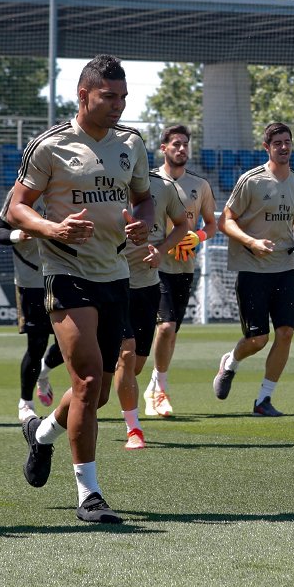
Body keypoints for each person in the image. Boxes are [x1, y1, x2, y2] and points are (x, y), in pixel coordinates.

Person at [10, 54, 152, 523]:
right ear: (83, 94)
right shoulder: (49, 146)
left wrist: (143, 227)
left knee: (98, 393)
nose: (118, 105)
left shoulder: (131, 143)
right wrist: (53, 230)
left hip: (115, 274)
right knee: (89, 381)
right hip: (65, 272)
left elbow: (144, 198)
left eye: (123, 97)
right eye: (108, 96)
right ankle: (89, 495)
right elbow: (16, 209)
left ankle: (43, 435)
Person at [211, 123, 294, 416]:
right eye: (277, 142)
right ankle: (230, 363)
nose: (283, 147)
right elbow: (225, 221)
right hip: (252, 270)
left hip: (285, 268)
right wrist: (251, 242)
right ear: (266, 147)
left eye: (287, 142)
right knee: (257, 340)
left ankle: (263, 400)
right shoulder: (250, 181)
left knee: (286, 332)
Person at [142, 124, 217, 418]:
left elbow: (211, 225)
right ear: (164, 148)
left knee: (169, 333)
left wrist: (196, 236)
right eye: (176, 144)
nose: (182, 149)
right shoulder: (147, 182)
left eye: (185, 144)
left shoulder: (200, 186)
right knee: (164, 327)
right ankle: (160, 388)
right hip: (151, 266)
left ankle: (153, 385)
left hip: (184, 269)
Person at [114, 170, 189, 449]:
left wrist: (163, 249)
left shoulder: (164, 187)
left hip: (147, 284)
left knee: (135, 364)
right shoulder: (106, 180)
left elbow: (181, 225)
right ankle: (134, 429)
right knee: (126, 351)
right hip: (112, 282)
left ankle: (99, 383)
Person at [0, 191, 62, 423]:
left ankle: (44, 371)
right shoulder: (18, 193)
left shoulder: (66, 184)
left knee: (73, 342)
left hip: (66, 276)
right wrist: (17, 235)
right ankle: (25, 403)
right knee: (37, 344)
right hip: (31, 281)